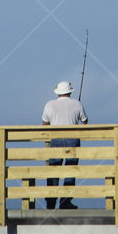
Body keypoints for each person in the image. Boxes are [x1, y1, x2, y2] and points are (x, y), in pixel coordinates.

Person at [41, 80, 88, 209]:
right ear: (69, 91)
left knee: (53, 171)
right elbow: (85, 122)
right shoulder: (77, 103)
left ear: (58, 92)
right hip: (73, 140)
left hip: (55, 140)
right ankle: (65, 202)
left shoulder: (49, 105)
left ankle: (51, 202)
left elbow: (45, 124)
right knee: (70, 171)